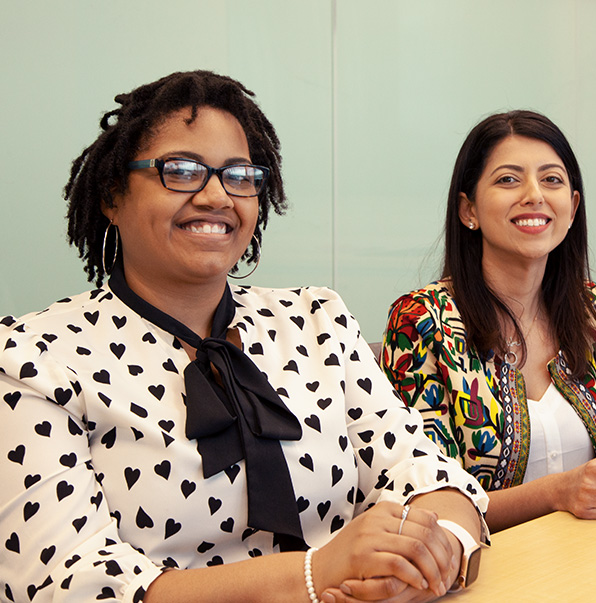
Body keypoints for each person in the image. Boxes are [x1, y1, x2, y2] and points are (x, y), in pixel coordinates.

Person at [0, 71, 488, 603]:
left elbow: (428, 474)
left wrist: (431, 561)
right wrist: (314, 575)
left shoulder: (316, 318)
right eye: (181, 171)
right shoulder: (33, 359)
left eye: (239, 175)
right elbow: (67, 583)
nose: (216, 195)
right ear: (112, 196)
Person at [381, 110, 596, 533]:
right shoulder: (422, 321)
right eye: (508, 180)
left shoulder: (590, 309)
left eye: (552, 180)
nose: (534, 195)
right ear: (469, 210)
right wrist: (557, 492)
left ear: (572, 207)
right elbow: (425, 501)